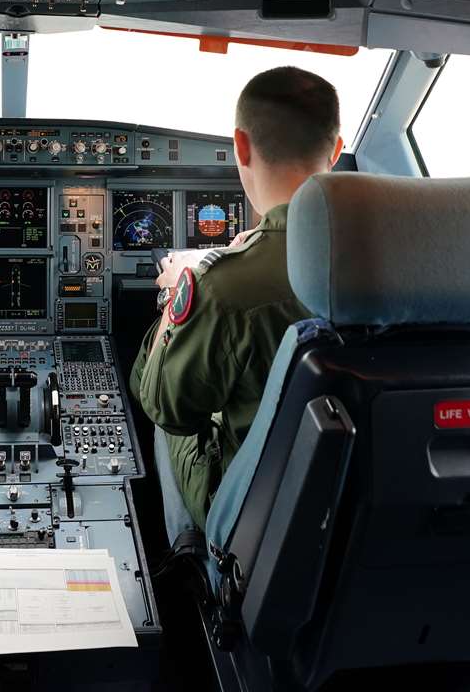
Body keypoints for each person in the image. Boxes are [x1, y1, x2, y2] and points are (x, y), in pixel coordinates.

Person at [129, 66, 343, 534]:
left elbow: (166, 406)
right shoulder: (412, 257)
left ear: (240, 146)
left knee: (166, 407)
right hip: (367, 498)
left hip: (264, 517)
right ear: (337, 149)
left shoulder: (223, 287)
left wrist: (181, 291)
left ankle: (191, 561)